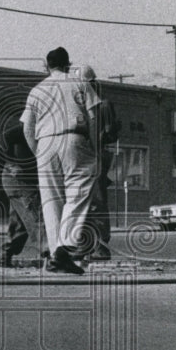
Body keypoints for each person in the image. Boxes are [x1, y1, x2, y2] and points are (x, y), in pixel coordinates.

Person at [20, 47, 100, 275]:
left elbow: (27, 128)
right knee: (78, 192)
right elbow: (93, 119)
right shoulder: (79, 83)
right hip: (73, 138)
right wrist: (93, 149)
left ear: (47, 66)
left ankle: (57, 255)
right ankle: (64, 249)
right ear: (68, 64)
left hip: (44, 142)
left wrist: (38, 152)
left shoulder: (36, 90)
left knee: (51, 201)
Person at [73, 64, 119, 261]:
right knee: (84, 201)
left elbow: (110, 134)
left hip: (96, 156)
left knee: (97, 201)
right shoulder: (85, 105)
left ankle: (100, 245)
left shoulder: (103, 105)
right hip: (84, 157)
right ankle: (86, 244)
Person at [0, 121, 47, 267]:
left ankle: (5, 257)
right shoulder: (28, 127)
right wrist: (11, 163)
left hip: (25, 180)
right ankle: (51, 257)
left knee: (19, 222)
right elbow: (1, 139)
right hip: (18, 180)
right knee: (37, 217)